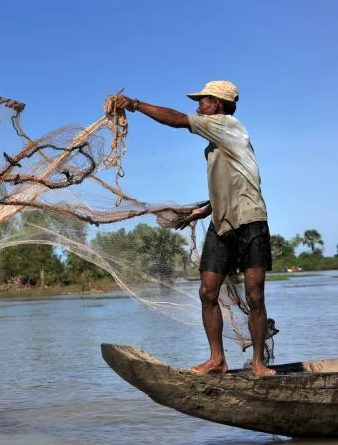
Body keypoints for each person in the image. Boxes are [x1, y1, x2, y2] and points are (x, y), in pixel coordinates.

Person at [113, 81, 276, 377]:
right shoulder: (216, 142)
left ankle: (258, 363)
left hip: (251, 221)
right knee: (207, 292)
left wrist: (135, 105)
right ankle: (217, 360)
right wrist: (205, 210)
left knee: (255, 295)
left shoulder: (228, 126)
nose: (198, 105)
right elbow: (233, 181)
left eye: (204, 100)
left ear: (218, 104)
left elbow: (176, 120)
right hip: (221, 224)